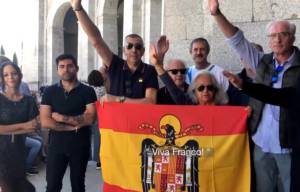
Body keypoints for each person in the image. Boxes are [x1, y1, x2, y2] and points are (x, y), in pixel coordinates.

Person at [209, 0, 300, 191]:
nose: (277, 39)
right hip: (261, 142)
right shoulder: (262, 61)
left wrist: (245, 86)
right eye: (273, 36)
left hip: (289, 144)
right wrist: (217, 14)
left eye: (282, 35)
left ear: (292, 38)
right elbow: (237, 41)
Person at [70, 0, 158, 104]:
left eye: (138, 47)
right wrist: (78, 8)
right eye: (129, 46)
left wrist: (118, 99)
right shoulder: (115, 64)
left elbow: (151, 102)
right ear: (124, 50)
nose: (134, 50)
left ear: (143, 51)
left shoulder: (149, 70)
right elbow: (96, 40)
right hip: (116, 118)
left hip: (139, 119)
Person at [40, 54, 97, 192]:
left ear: (76, 68)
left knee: (78, 185)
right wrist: (73, 126)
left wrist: (62, 118)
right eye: (62, 66)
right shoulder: (49, 91)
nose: (66, 69)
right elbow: (45, 121)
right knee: (52, 186)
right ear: (57, 70)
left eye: (70, 66)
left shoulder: (88, 91)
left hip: (80, 145)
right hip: (56, 145)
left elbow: (91, 118)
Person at [0, 61, 38, 192]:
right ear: (2, 78)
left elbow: (34, 127)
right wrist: (23, 126)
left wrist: (9, 129)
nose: (10, 77)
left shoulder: (28, 101)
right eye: (6, 75)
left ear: (20, 76)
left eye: (14, 73)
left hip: (19, 151)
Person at [150, 44, 228, 106]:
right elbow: (173, 89)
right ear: (195, 92)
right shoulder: (189, 105)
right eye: (201, 88)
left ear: (215, 90)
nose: (205, 91)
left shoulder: (224, 109)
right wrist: (158, 66)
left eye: (210, 87)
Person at [155, 36, 189, 105]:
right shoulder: (159, 94)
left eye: (182, 71)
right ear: (167, 74)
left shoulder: (194, 92)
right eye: (174, 72)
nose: (179, 74)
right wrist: (160, 55)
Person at [87, 69, 107, 169]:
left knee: (86, 137)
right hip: (100, 115)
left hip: (88, 114)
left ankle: (86, 158)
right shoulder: (104, 90)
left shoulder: (88, 89)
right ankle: (99, 162)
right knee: (98, 139)